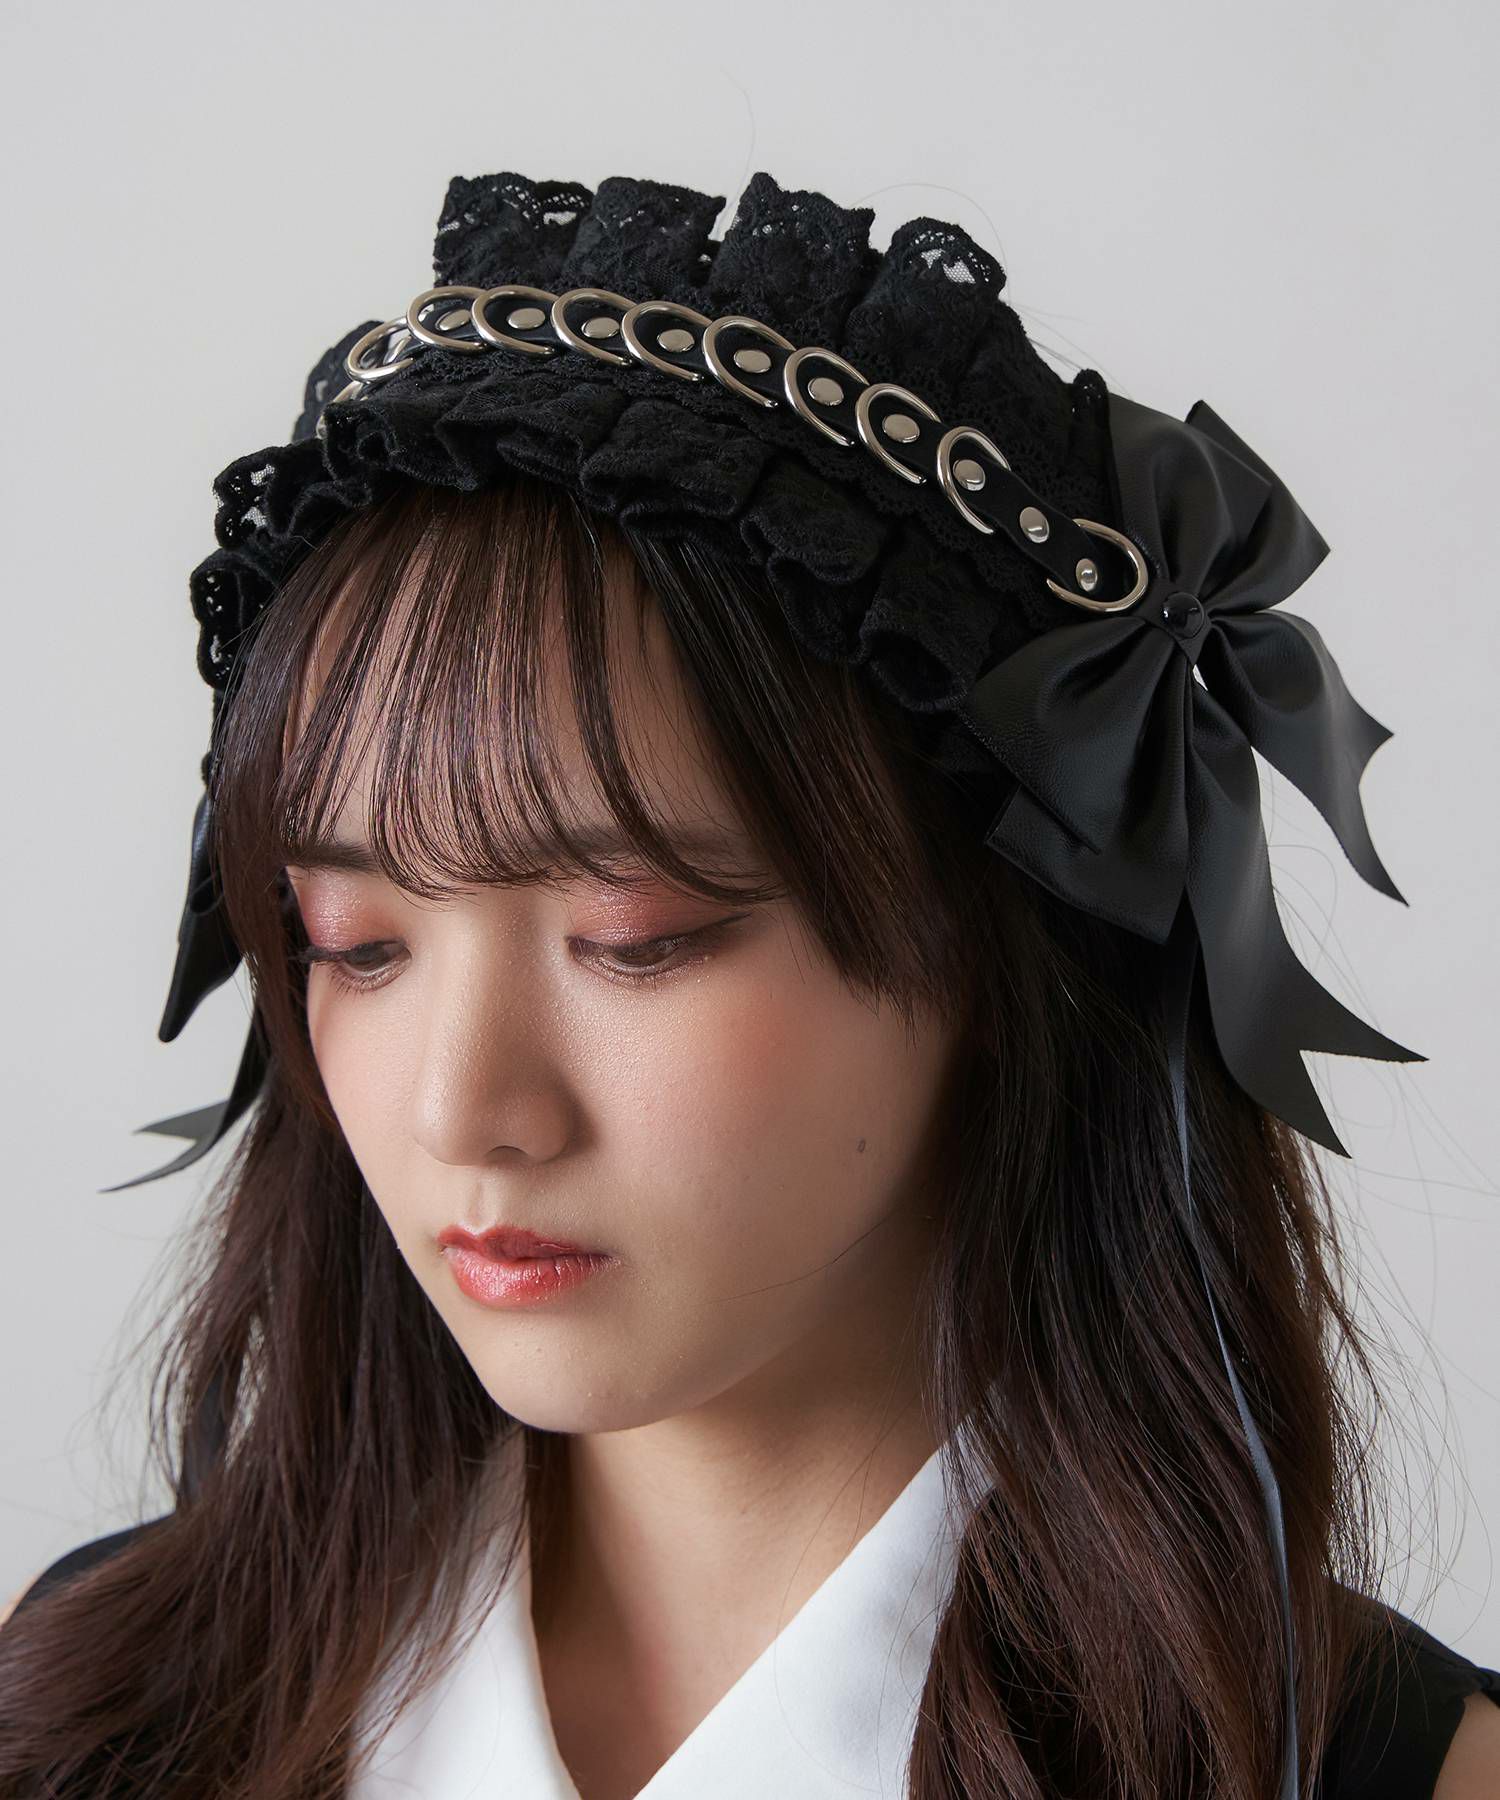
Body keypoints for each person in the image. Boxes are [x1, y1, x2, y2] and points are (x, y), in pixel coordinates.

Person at [1, 168, 1496, 1798]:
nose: (462, 1109)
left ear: (991, 943)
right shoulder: (94, 1711)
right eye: (359, 944)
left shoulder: (1378, 1771)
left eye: (633, 936)